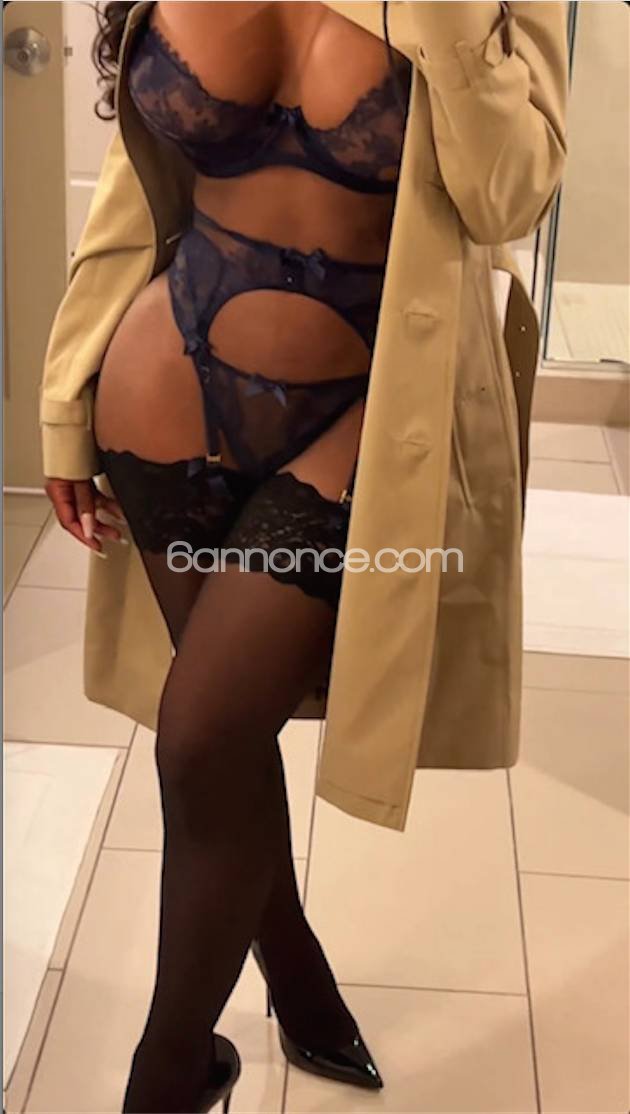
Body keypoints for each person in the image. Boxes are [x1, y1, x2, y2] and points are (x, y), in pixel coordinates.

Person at [40, 3, 569, 1110]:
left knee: (201, 735)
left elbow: (508, 196)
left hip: (370, 410)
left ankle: (169, 1077)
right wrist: (62, 399)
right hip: (165, 379)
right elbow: (137, 183)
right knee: (222, 742)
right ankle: (294, 967)